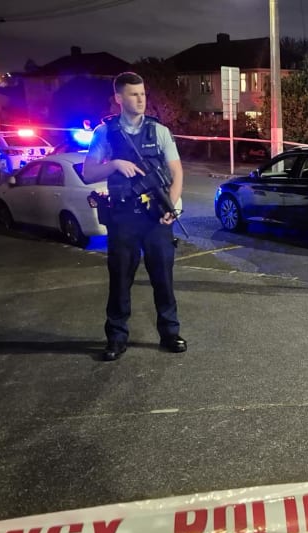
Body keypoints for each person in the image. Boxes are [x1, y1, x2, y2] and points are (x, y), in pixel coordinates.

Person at [82, 71, 186, 361]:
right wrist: (114, 164)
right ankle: (116, 338)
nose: (140, 99)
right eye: (133, 94)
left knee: (163, 279)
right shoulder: (105, 133)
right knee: (120, 281)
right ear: (118, 98)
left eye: (142, 93)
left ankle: (170, 334)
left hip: (156, 218)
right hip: (123, 217)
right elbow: (88, 172)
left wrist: (171, 206)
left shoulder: (159, 131)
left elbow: (177, 173)